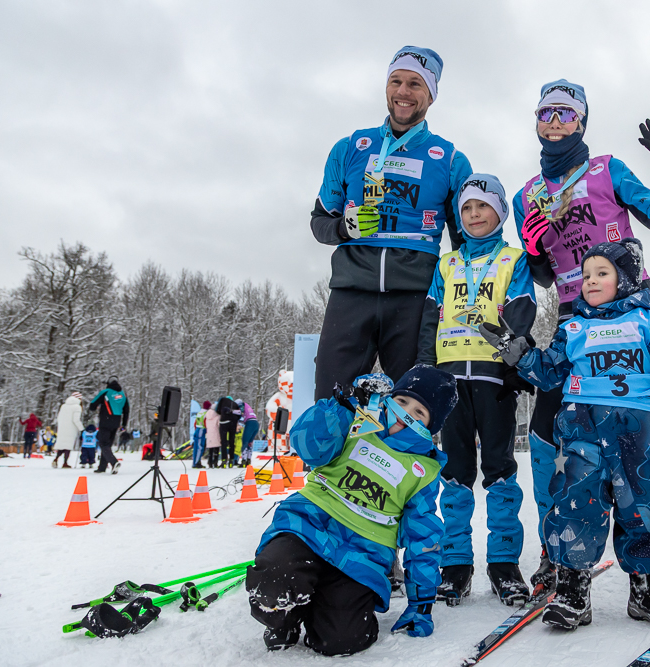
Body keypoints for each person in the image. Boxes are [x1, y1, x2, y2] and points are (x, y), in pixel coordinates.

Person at [513, 80, 650, 602]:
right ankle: (558, 555)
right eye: (546, 112)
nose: (555, 121)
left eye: (566, 113)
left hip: (635, 313)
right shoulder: (528, 194)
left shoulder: (606, 169)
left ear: (582, 122)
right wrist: (532, 246)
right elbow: (544, 272)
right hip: (573, 319)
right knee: (547, 434)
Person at [481, 239, 650, 630]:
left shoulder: (645, 322)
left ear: (625, 279)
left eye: (601, 273)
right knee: (575, 503)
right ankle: (574, 591)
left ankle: (649, 590)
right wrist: (520, 353)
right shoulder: (573, 326)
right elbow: (549, 372)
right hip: (580, 432)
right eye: (586, 275)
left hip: (636, 432)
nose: (589, 281)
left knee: (647, 503)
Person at [246, 366, 458, 654]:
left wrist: (421, 603)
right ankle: (285, 619)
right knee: (272, 580)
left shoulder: (425, 470)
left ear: (430, 427)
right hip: (308, 525)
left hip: (362, 555)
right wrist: (343, 406)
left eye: (419, 413)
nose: (405, 414)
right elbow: (307, 445)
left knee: (343, 639)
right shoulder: (360, 419)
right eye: (403, 401)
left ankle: (321, 607)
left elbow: (422, 536)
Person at [309, 46, 472, 401]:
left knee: (415, 409)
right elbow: (319, 221)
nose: (403, 92)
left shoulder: (450, 159)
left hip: (414, 296)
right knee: (329, 403)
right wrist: (343, 229)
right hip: (351, 292)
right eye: (396, 81)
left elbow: (466, 243)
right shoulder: (351, 147)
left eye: (415, 84)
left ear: (430, 94)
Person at [415, 174, 536, 605]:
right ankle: (455, 563)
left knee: (500, 468)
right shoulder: (446, 265)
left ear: (499, 211)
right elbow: (430, 316)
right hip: (449, 380)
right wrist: (426, 370)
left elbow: (522, 311)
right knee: (455, 471)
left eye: (483, 206)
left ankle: (503, 564)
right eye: (466, 209)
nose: (474, 215)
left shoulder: (511, 259)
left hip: (493, 378)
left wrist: (512, 360)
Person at [88, 378, 129, 474]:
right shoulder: (123, 394)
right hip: (117, 421)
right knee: (107, 444)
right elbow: (126, 410)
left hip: (105, 420)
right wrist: (124, 424)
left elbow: (92, 405)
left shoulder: (106, 392)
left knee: (103, 444)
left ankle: (114, 462)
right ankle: (102, 467)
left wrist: (99, 406)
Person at [54, 392, 83, 469]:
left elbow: (58, 418)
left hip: (62, 427)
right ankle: (65, 462)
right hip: (71, 428)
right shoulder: (77, 407)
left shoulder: (63, 406)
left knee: (62, 446)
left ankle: (56, 459)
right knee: (68, 446)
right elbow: (76, 420)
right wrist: (82, 429)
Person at [215, 396, 242, 468]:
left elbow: (217, 410)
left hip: (224, 422)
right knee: (231, 441)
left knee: (223, 441)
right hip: (233, 422)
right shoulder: (235, 404)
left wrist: (223, 414)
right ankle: (231, 461)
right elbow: (239, 415)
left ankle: (224, 460)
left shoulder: (222, 399)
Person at [237, 400, 259, 468]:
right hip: (256, 423)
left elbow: (241, 417)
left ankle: (244, 460)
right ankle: (248, 460)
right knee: (250, 443)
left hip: (250, 423)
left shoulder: (241, 406)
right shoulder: (248, 407)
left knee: (245, 441)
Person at [192, 401, 211, 468]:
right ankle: (196, 462)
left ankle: (195, 461)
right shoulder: (206, 413)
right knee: (200, 448)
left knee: (196, 447)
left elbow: (195, 423)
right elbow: (206, 423)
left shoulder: (200, 412)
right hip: (202, 430)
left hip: (197, 429)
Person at [205, 401, 221, 468]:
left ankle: (210, 462)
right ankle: (215, 462)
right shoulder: (217, 416)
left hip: (209, 434)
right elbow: (219, 425)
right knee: (216, 449)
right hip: (216, 433)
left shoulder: (207, 416)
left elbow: (206, 425)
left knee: (210, 450)